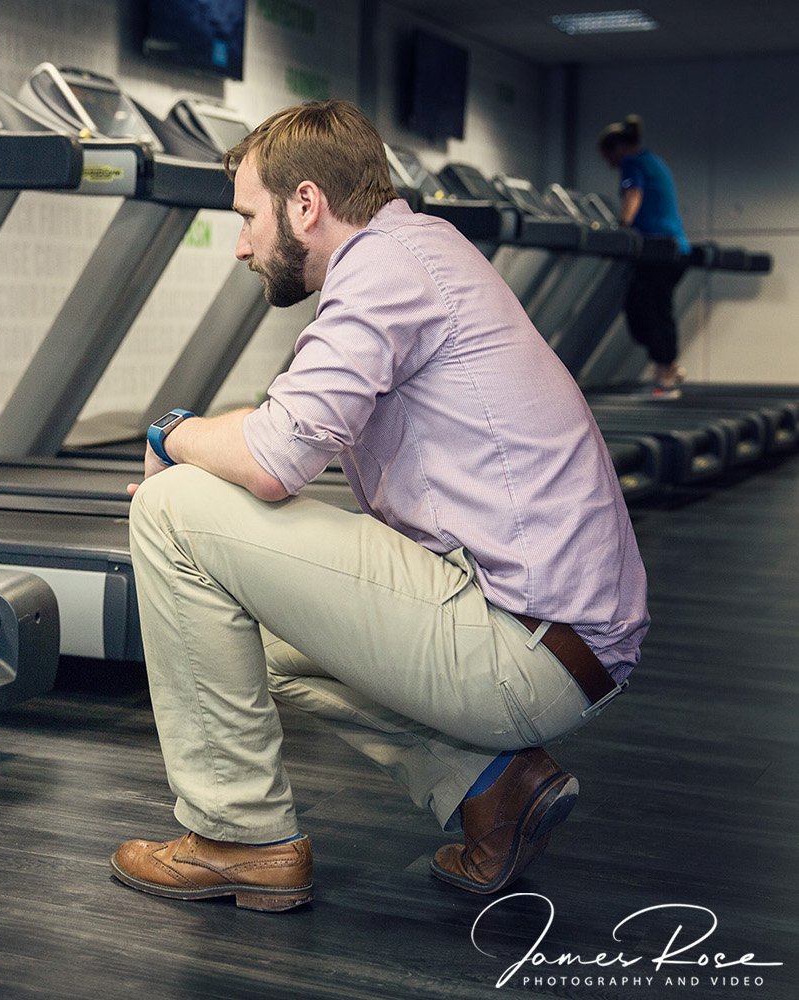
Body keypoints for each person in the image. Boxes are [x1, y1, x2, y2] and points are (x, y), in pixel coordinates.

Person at [113, 101, 648, 911]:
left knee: (170, 507)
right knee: (238, 636)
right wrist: (199, 448)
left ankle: (238, 837)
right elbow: (287, 426)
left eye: (249, 217)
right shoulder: (417, 249)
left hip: (523, 648)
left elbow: (271, 458)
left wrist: (170, 435)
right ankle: (495, 785)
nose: (243, 245)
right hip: (559, 645)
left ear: (305, 204)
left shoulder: (382, 271)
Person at [598, 114, 691, 399]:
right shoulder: (654, 161)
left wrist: (622, 226)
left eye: (607, 156)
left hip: (659, 251)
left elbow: (633, 196)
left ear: (618, 149)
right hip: (671, 250)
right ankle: (669, 366)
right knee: (647, 309)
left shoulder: (632, 163)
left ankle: (666, 374)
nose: (608, 162)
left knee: (652, 310)